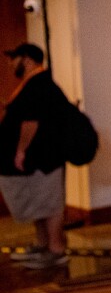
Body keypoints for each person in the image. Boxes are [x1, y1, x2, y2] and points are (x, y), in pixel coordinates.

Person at [0, 43, 69, 269]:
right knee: (39, 203)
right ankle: (43, 245)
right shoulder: (33, 84)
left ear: (27, 59)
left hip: (43, 158)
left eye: (14, 58)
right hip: (38, 159)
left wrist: (20, 151)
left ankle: (56, 250)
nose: (11, 63)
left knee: (48, 203)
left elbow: (31, 121)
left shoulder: (39, 85)